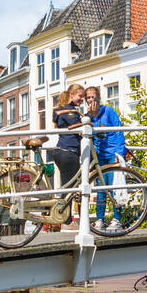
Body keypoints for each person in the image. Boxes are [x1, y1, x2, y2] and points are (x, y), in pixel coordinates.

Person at [87, 86, 128, 231]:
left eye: (93, 97)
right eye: (88, 98)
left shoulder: (108, 111)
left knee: (114, 187)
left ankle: (117, 219)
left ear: (98, 98)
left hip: (112, 154)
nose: (91, 100)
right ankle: (100, 219)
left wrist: (119, 153)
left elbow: (118, 130)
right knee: (101, 189)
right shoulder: (89, 116)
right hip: (99, 157)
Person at [48, 84, 88, 185]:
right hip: (68, 151)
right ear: (71, 95)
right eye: (80, 96)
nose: (82, 99)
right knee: (70, 187)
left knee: (70, 185)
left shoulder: (63, 109)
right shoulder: (69, 111)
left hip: (62, 150)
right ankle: (62, 201)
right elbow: (76, 126)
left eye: (83, 96)